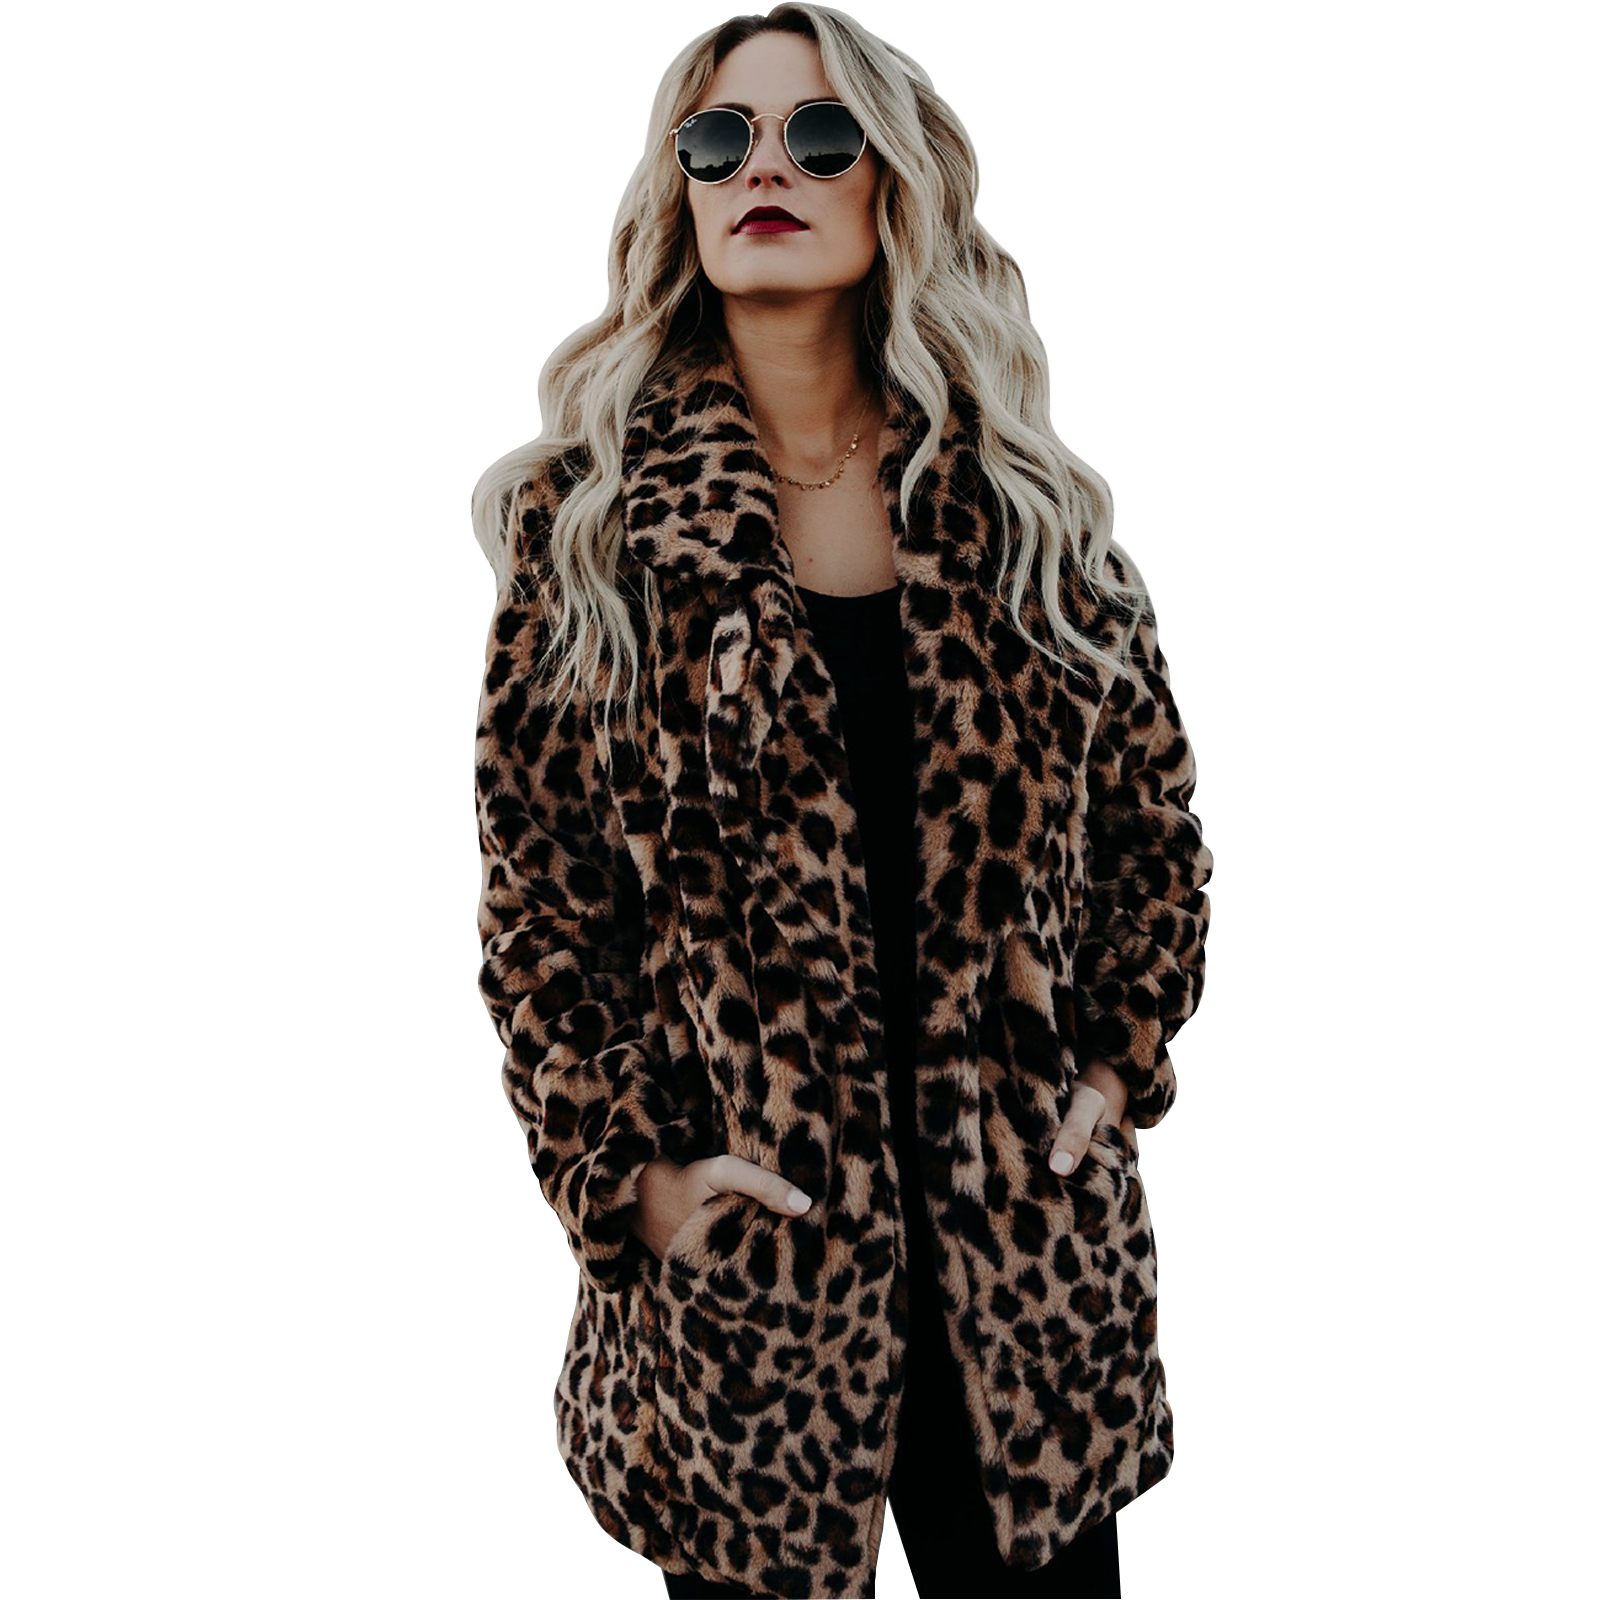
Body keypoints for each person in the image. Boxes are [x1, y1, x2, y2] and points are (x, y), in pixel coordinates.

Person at [471, 8, 1213, 1599]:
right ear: (676, 192)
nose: (766, 170)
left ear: (897, 184)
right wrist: (634, 1186)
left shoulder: (1019, 512)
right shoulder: (590, 528)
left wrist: (1110, 1064)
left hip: (1026, 1287)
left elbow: (1156, 836)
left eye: (819, 137)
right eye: (718, 140)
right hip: (754, 1310)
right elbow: (540, 915)